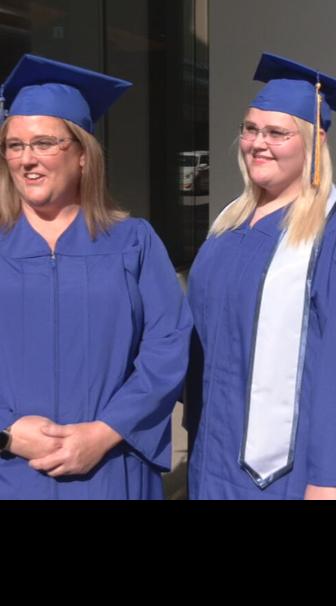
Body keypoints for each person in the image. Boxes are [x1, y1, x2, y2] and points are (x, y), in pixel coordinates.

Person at [184, 53, 336, 499]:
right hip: (214, 456)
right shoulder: (229, 226)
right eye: (250, 129)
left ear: (315, 143)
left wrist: (329, 482)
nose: (258, 143)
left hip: (295, 473)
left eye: (277, 132)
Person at [0, 54, 192, 499]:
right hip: (11, 473)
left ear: (83, 154)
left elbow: (168, 345)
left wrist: (106, 431)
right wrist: (8, 430)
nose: (26, 159)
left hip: (111, 469)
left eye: (45, 143)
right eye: (14, 145)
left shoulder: (133, 242)